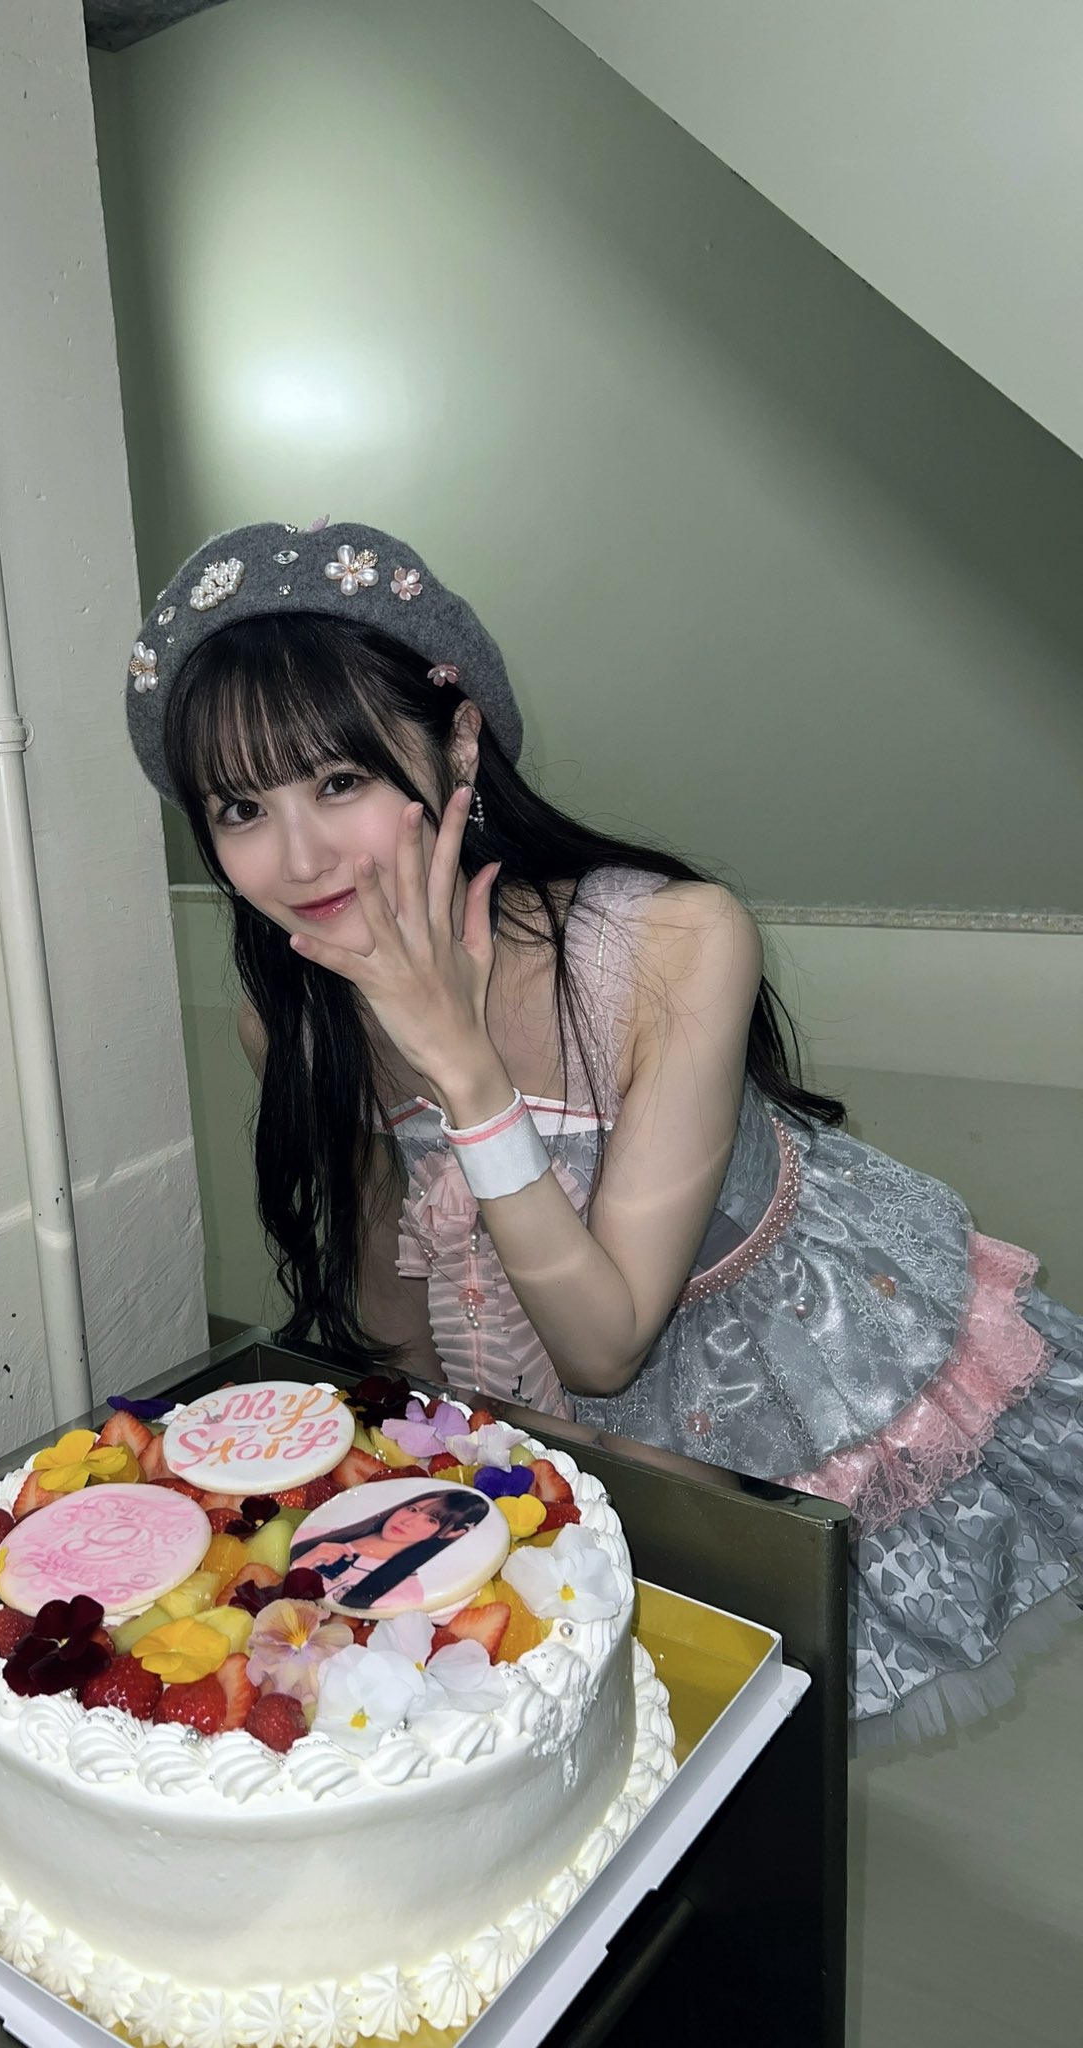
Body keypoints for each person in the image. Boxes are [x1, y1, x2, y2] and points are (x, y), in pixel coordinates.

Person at [123, 517, 1082, 1748]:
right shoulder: (296, 1019)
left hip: (772, 1370)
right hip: (534, 1405)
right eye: (241, 804)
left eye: (342, 780)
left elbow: (608, 1343)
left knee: (747, 1724)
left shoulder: (674, 940)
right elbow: (393, 1306)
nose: (298, 854)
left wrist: (462, 1064)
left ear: (458, 743)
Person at [288, 1489, 490, 1612]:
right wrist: (305, 1561)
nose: (408, 1521)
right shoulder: (314, 1534)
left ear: (452, 1533)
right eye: (412, 1509)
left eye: (431, 1519)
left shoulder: (407, 1592)